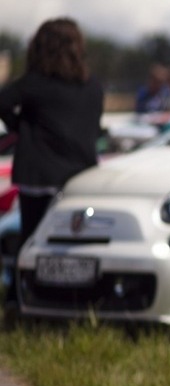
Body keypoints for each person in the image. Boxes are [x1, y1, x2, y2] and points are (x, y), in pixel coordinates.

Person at [0, 18, 103, 307]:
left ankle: (21, 300)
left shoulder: (34, 85)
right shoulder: (92, 87)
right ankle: (73, 298)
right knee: (74, 246)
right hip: (78, 178)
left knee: (32, 242)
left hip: (39, 177)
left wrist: (20, 124)